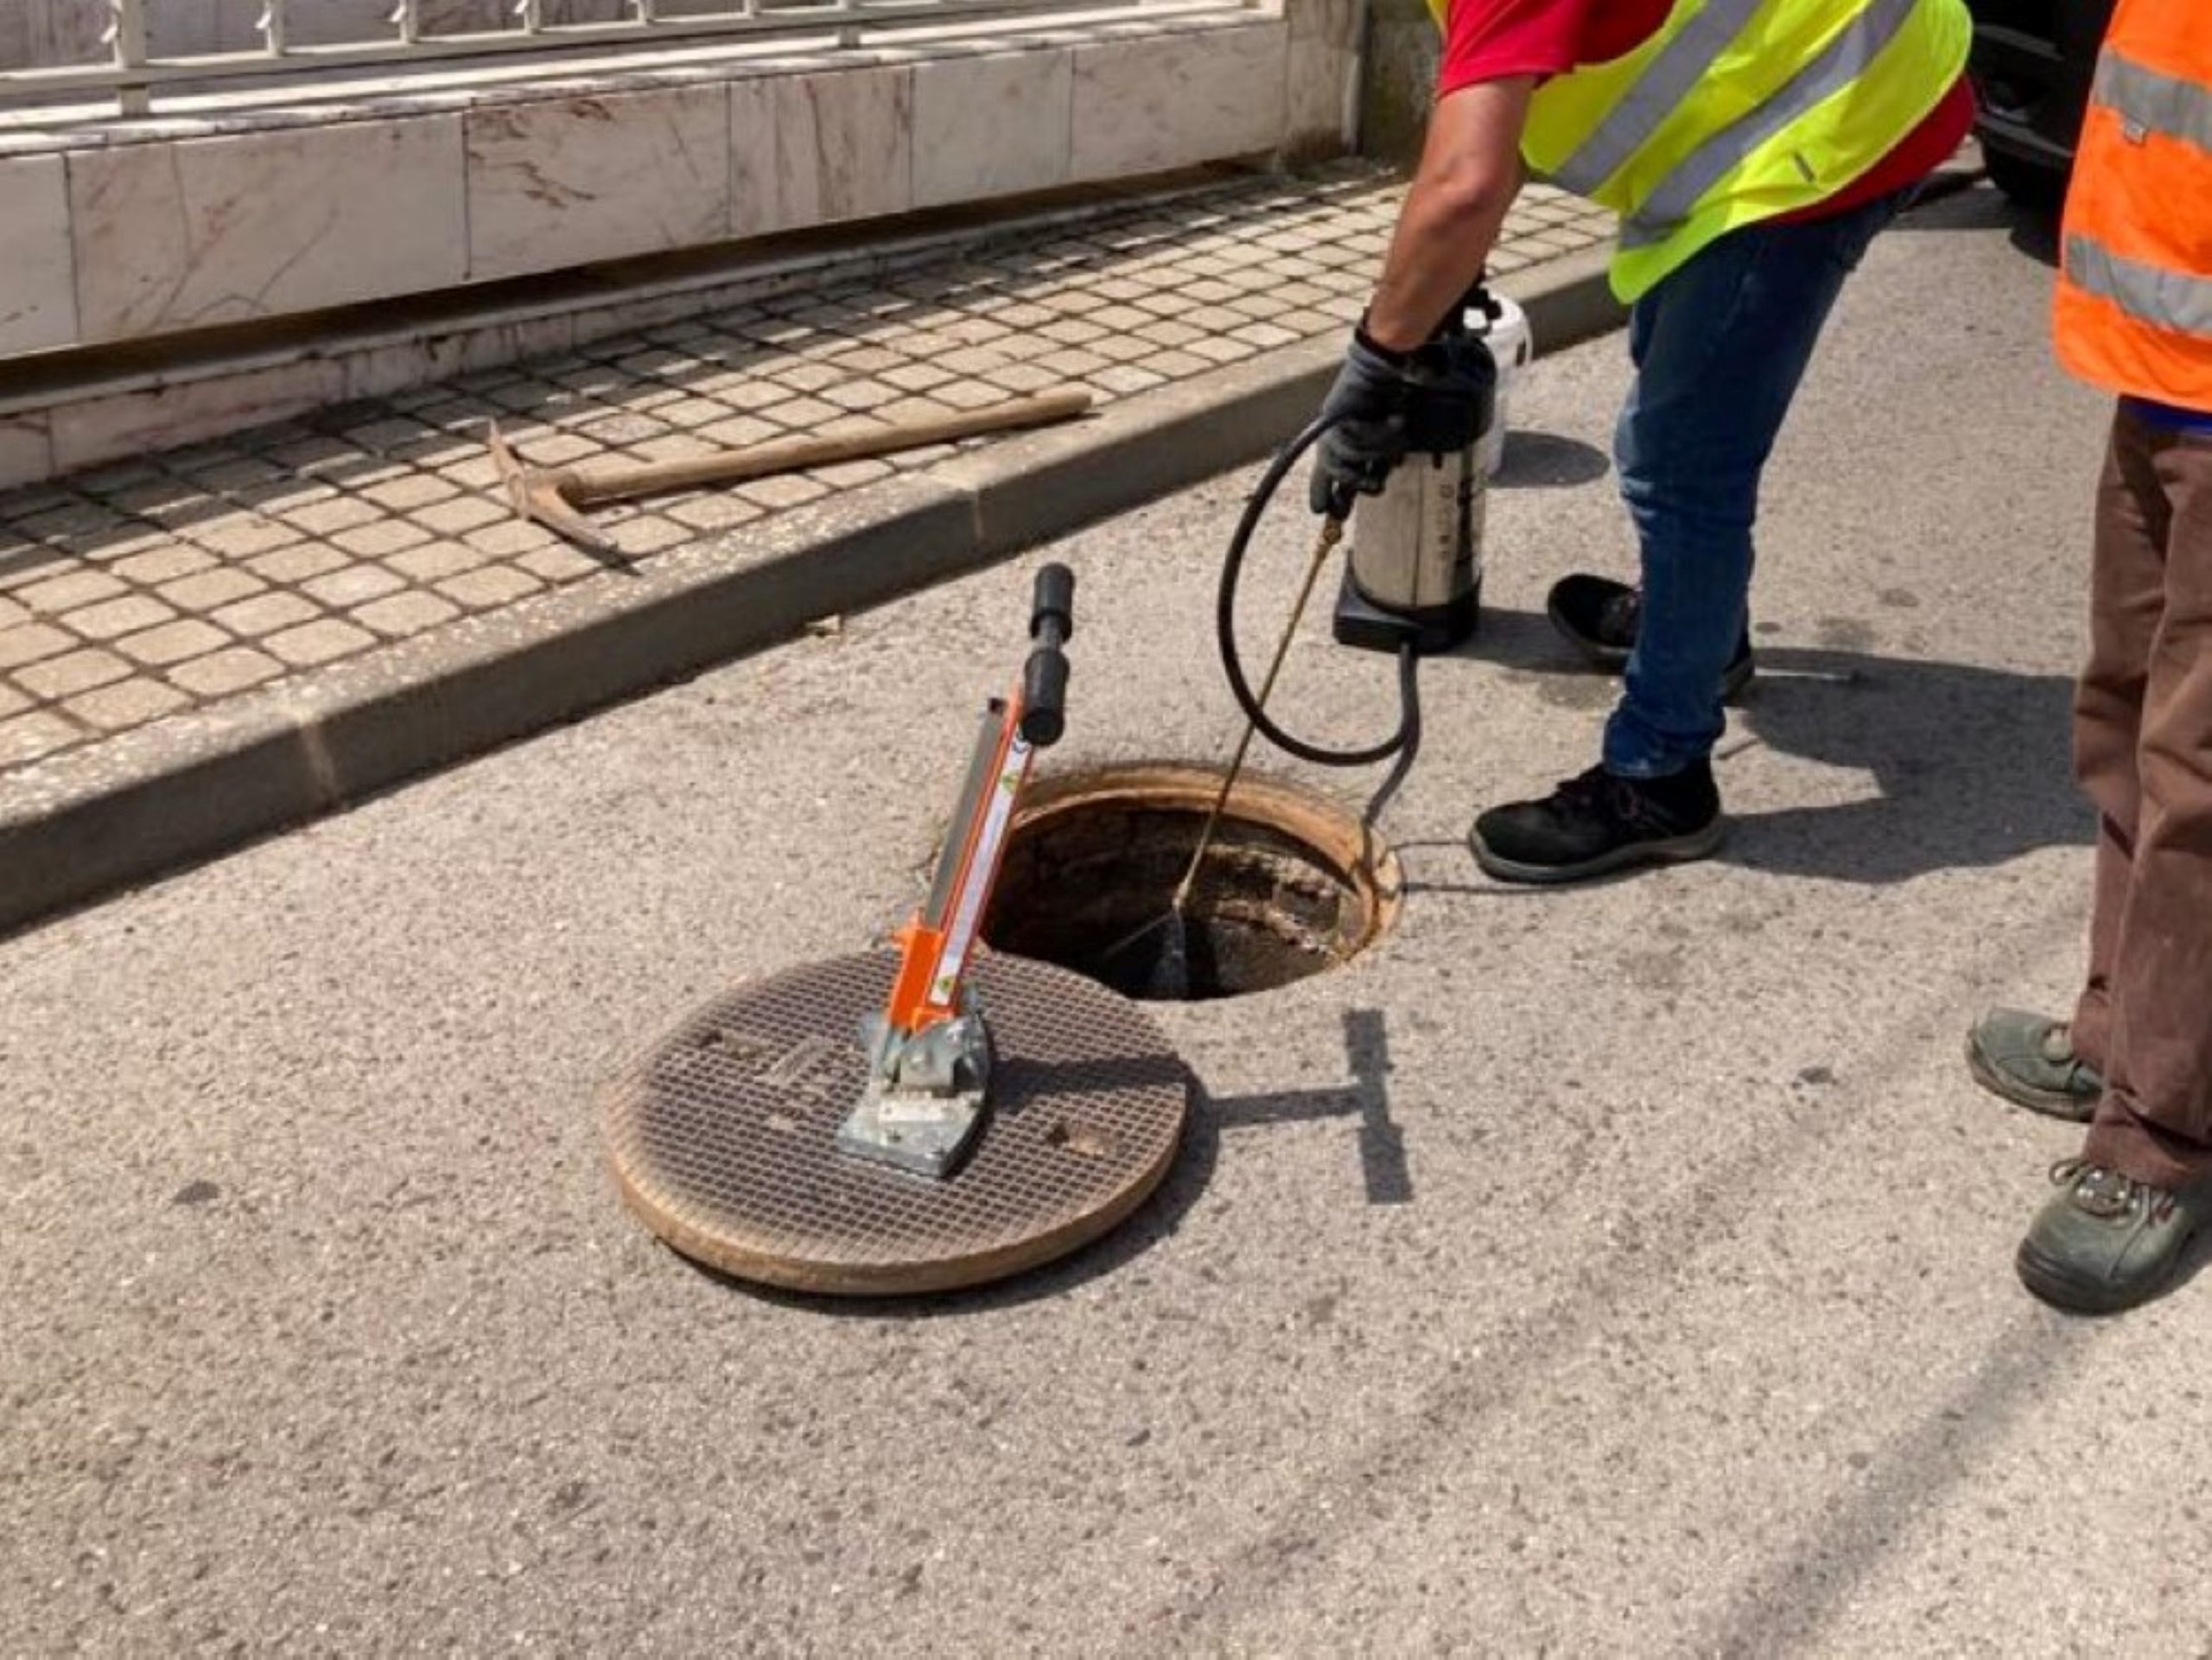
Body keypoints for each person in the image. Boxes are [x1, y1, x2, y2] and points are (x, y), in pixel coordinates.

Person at [1311, 0, 1974, 884]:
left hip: (1832, 129)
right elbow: (1500, 121)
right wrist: (1428, 287)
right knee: (1675, 373)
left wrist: (1376, 360)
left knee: (1681, 462)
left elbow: (1464, 185)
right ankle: (1696, 634)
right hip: (1781, 110)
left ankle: (1659, 776)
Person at [1966, 0, 2212, 1315]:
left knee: (2202, 776)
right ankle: (2120, 1030)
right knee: (2125, 711)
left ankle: (2163, 1135)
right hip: (2163, 359)